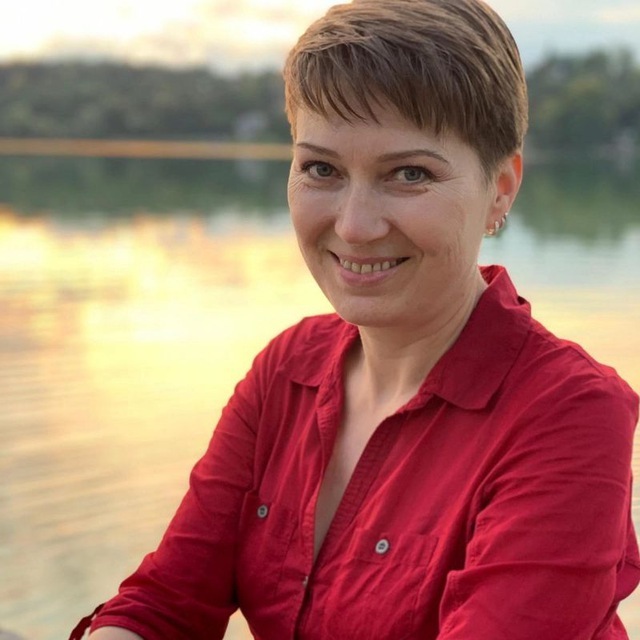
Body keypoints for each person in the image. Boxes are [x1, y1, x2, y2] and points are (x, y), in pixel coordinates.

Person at [71, 1, 640, 638]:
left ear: (501, 188)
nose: (354, 225)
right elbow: (163, 606)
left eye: (409, 174)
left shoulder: (569, 412)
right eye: (322, 169)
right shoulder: (287, 371)